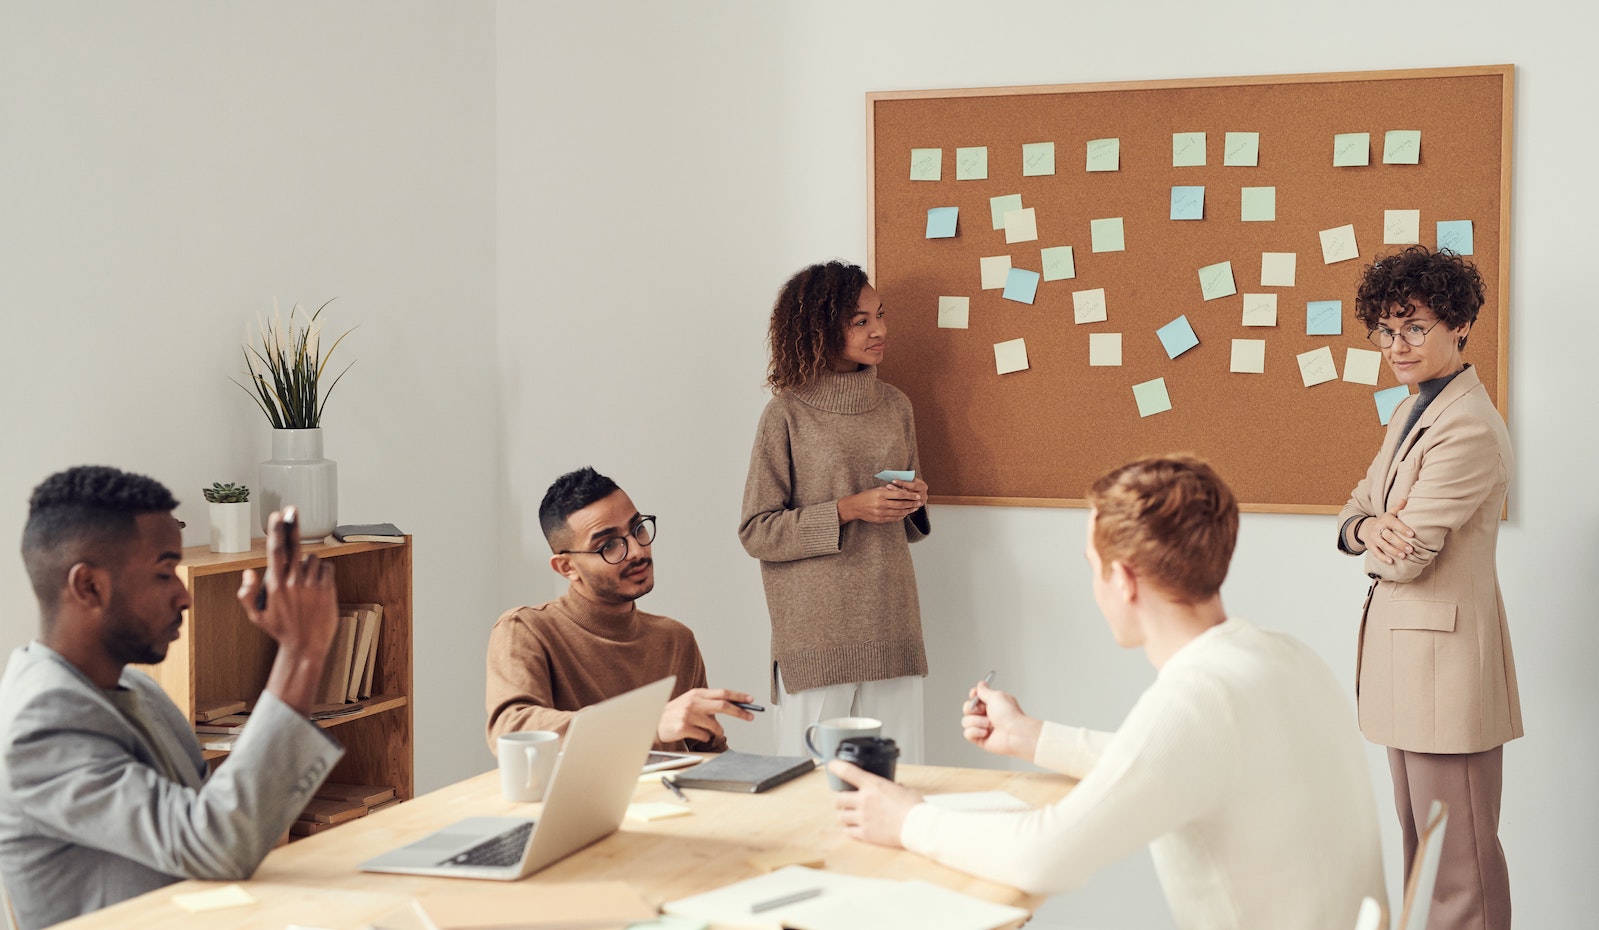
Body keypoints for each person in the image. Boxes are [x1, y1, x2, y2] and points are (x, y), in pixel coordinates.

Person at [831, 455, 1385, 929]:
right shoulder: (1279, 655)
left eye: (1093, 569)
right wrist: (1033, 737)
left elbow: (1043, 856)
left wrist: (908, 819)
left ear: (1124, 579)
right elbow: (1170, 763)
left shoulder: (1198, 699)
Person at [0, 466, 344, 930]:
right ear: (89, 586)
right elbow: (216, 841)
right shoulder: (41, 721)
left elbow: (216, 830)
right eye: (165, 574)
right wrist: (301, 653)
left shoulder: (138, 689)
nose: (185, 596)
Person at [1336, 245, 1518, 929]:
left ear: (1459, 324)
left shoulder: (1466, 427)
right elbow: (1354, 508)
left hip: (1445, 676)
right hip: (1409, 671)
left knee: (1458, 874)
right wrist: (1366, 530)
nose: (1396, 345)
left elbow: (1406, 557)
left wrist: (1377, 535)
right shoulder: (1411, 411)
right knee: (1426, 860)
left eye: (1414, 327)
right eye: (1385, 329)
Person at [739, 260, 932, 762]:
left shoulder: (896, 405)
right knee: (809, 789)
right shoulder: (787, 412)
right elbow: (758, 531)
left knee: (900, 781)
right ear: (819, 327)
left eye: (880, 315)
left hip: (891, 621)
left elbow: (904, 524)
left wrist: (911, 501)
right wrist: (848, 508)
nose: (880, 330)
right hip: (817, 638)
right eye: (860, 320)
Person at [486, 467, 753, 753]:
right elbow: (511, 729)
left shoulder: (676, 639)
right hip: (581, 799)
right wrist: (646, 724)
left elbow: (710, 757)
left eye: (638, 529)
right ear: (567, 567)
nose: (638, 551)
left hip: (671, 798)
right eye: (609, 545)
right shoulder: (524, 629)